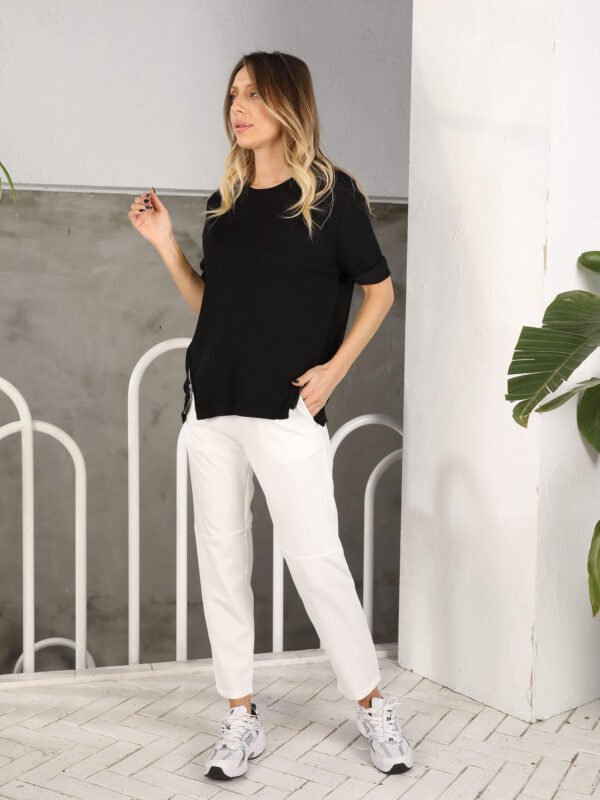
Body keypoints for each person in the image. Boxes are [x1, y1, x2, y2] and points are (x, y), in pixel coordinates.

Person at [128, 50, 414, 780]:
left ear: (288, 102)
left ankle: (372, 705)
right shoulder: (223, 204)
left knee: (316, 560)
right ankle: (239, 716)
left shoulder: (333, 197)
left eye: (253, 93)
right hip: (211, 407)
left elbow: (380, 291)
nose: (238, 106)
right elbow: (213, 305)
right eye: (233, 94)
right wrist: (165, 246)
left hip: (286, 407)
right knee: (222, 563)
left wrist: (335, 370)